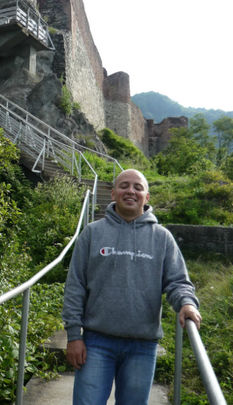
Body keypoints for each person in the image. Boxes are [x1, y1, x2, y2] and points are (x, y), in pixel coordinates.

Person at [62, 168, 201, 405]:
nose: (131, 191)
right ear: (114, 193)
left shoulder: (162, 238)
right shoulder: (92, 233)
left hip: (142, 345)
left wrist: (187, 303)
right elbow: (75, 286)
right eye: (124, 185)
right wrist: (74, 335)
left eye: (138, 187)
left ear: (146, 197)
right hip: (96, 342)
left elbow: (178, 281)